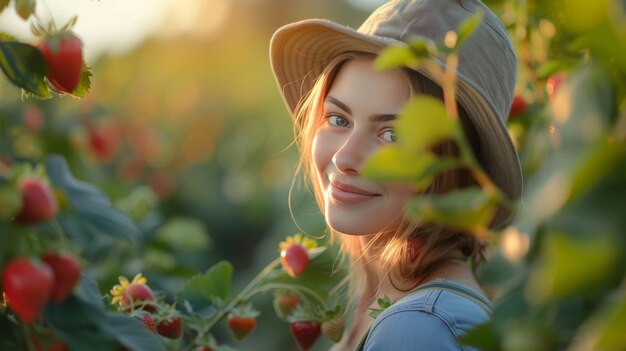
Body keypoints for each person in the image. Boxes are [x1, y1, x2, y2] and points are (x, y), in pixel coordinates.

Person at [270, 0, 522, 349]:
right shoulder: (387, 305)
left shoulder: (417, 328)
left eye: (392, 135)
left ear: (453, 163)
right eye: (339, 119)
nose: (344, 157)